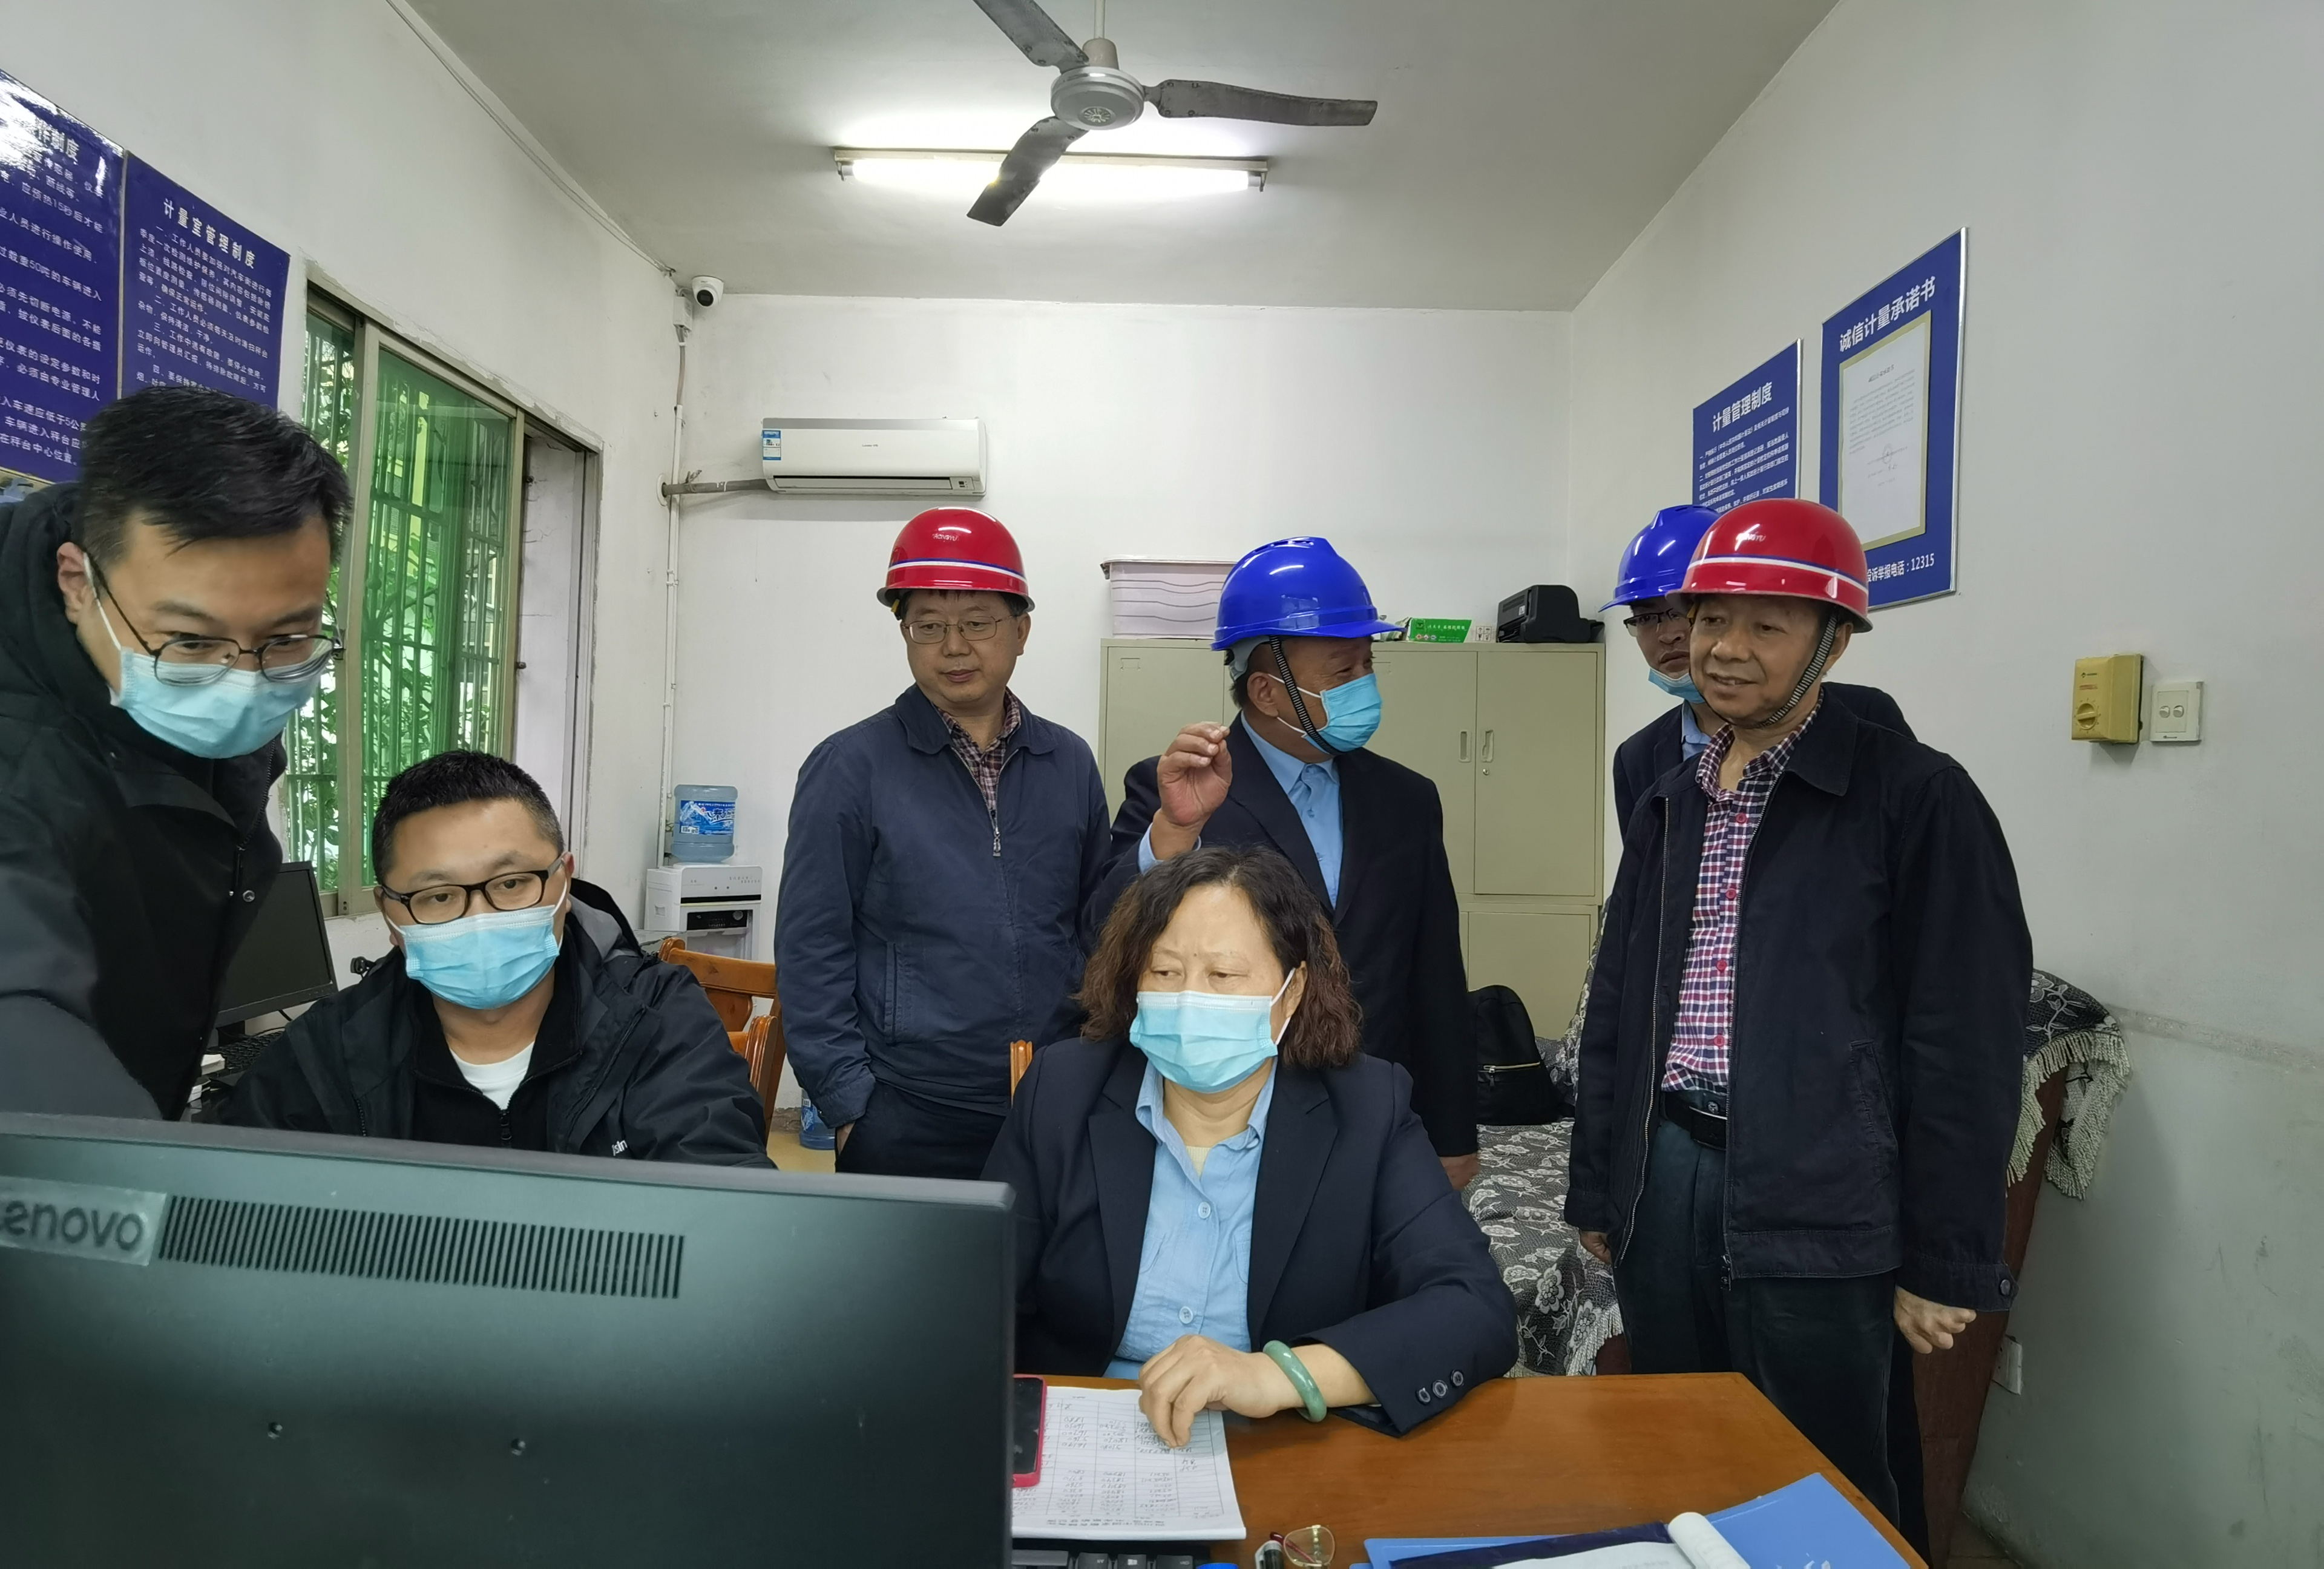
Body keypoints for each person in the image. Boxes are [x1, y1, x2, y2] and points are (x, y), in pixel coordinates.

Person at [1565, 498, 2030, 1536]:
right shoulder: (1671, 794)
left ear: (1834, 641)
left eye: (1766, 626)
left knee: (1821, 1480)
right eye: (1711, 618)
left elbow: (1964, 1039)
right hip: (1667, 1171)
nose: (1724, 649)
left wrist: (1943, 1256)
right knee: (1679, 1450)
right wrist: (1600, 1178)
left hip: (1822, 1189)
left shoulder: (1917, 797)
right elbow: (1620, 1003)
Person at [986, 845, 1516, 1445]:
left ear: (1291, 993)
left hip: (1283, 1442)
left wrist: (1276, 1375)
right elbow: (973, 1296)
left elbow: (1473, 1306)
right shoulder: (1062, 1091)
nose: (1190, 1000)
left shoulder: (1368, 1109)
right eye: (1165, 973)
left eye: (1224, 976)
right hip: (1083, 1433)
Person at [0, 387, 346, 1117]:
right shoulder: (21, 759)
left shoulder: (173, 659)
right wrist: (137, 1172)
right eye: (191, 642)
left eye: (287, 637)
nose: (243, 682)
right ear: (77, 584)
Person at [1094, 537, 1479, 1189]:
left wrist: (1452, 1132)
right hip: (1225, 1114)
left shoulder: (1407, 800)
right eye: (1342, 672)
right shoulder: (1181, 792)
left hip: (1372, 1108)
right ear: (1268, 692)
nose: (1365, 686)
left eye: (1368, 665)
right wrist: (1174, 833)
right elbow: (1104, 935)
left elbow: (1435, 974)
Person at [226, 751, 769, 1164]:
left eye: (511, 884)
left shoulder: (660, 1019)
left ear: (564, 881)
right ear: (390, 914)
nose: (480, 917)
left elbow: (720, 1208)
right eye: (438, 896)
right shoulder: (327, 1052)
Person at [778, 508, 1111, 1179]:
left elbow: (1096, 924)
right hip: (907, 1106)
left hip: (1052, 1095)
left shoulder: (1069, 762)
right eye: (928, 626)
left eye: (978, 623)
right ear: (904, 633)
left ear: (1021, 631)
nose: (954, 647)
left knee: (1046, 1254)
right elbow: (811, 946)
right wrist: (848, 1103)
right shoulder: (850, 766)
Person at [1604, 504, 1912, 831]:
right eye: (1645, 618)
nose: (1668, 635)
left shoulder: (1866, 716)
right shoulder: (1636, 758)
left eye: (1680, 612)